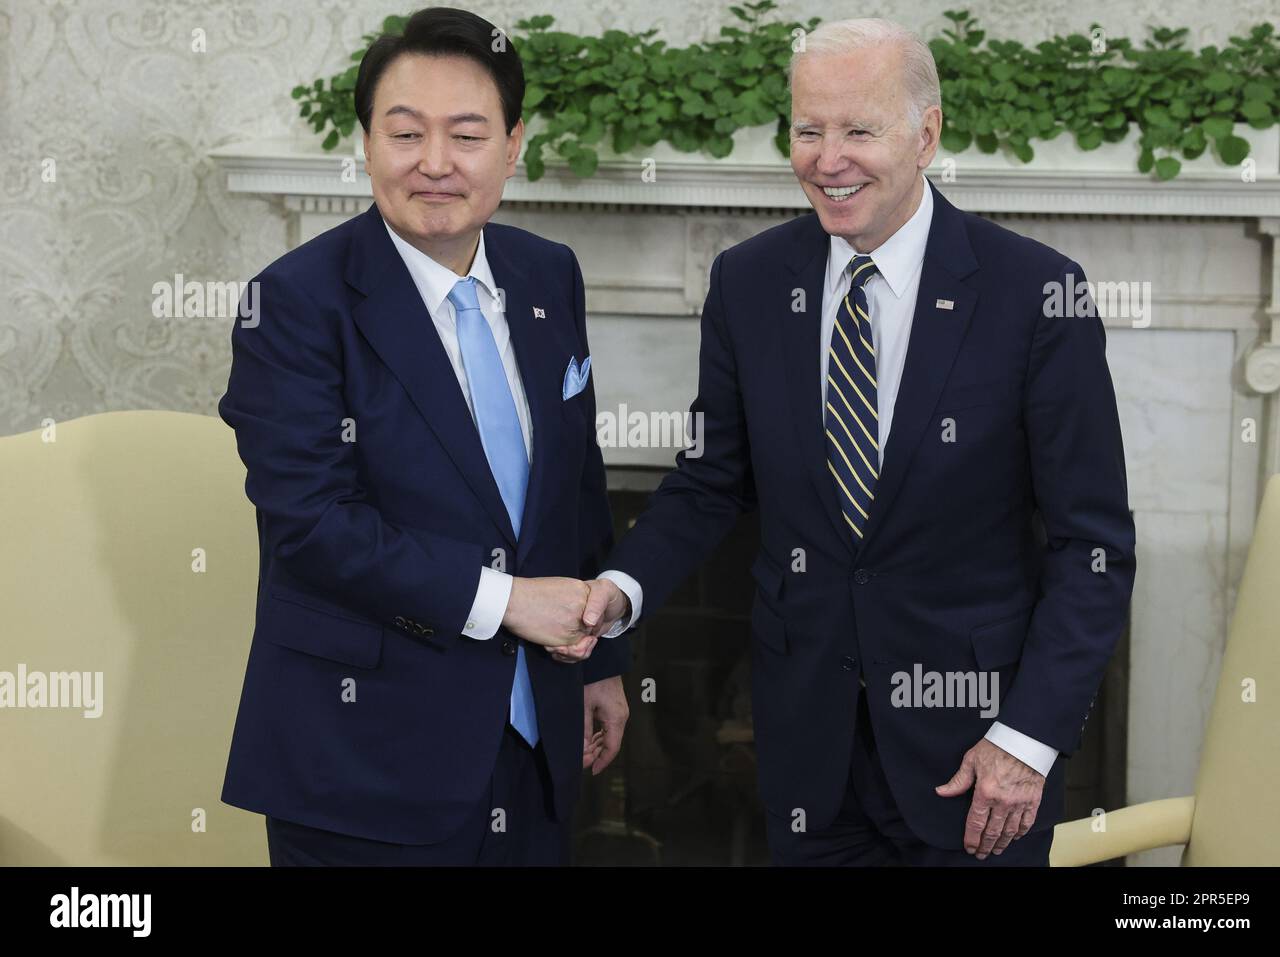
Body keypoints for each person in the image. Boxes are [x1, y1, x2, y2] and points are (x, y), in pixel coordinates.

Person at [572, 17, 1136, 866]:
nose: (828, 159)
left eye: (859, 129)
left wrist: (1027, 739)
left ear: (927, 133)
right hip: (808, 754)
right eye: (808, 130)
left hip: (981, 765)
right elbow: (710, 482)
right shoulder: (749, 282)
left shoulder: (1037, 294)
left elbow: (1092, 545)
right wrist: (619, 588)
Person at [218, 6, 629, 866]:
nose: (435, 164)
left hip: (533, 738)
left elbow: (577, 484)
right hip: (362, 759)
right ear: (366, 142)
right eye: (405, 133)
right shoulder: (293, 303)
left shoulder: (548, 272)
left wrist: (597, 663)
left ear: (513, 145)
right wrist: (511, 602)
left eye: (467, 135)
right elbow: (312, 521)